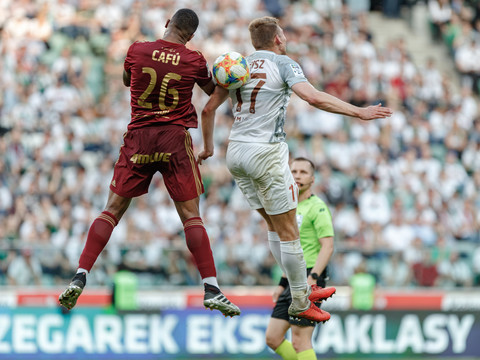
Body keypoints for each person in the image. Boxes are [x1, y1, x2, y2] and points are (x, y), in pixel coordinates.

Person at [199, 16, 392, 323]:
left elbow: (208, 109)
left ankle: (300, 289)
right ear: (278, 38)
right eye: (283, 34)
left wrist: (208, 148)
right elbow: (312, 96)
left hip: (235, 152)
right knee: (289, 231)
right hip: (266, 153)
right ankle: (300, 299)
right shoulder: (284, 63)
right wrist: (359, 112)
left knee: (274, 227)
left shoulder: (239, 65)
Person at [59, 8, 240, 317]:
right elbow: (212, 93)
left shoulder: (137, 50)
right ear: (191, 35)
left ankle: (81, 274)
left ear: (167, 23)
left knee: (112, 210)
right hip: (174, 140)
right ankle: (211, 287)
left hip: (139, 137)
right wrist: (231, 81)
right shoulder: (194, 60)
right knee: (190, 217)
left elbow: (129, 81)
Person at [265, 157, 335, 360]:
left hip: (309, 276)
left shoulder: (318, 208)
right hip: (291, 277)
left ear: (313, 179)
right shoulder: (287, 206)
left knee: (300, 340)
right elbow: (289, 249)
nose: (297, 176)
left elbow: (328, 246)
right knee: (273, 337)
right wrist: (281, 282)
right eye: (293, 171)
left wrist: (313, 277)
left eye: (303, 172)